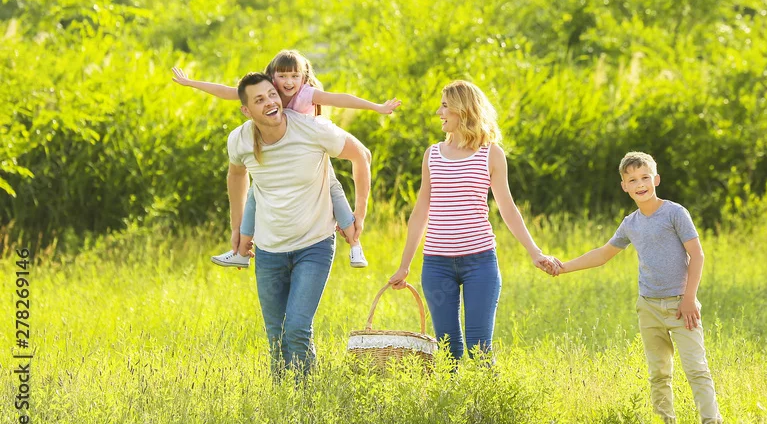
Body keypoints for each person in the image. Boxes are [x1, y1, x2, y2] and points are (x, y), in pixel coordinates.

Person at [172, 49, 399, 268]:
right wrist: (191, 83)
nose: (288, 82)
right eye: (282, 76)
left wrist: (376, 107)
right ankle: (241, 252)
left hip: (310, 149)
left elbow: (340, 99)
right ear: (272, 76)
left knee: (334, 191)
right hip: (282, 152)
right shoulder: (269, 91)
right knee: (254, 195)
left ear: (303, 77)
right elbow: (228, 91)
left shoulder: (306, 93)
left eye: (294, 76)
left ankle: (355, 245)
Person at [551, 151, 723, 424]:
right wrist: (563, 267)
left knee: (696, 370)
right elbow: (603, 254)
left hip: (682, 306)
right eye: (632, 180)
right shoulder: (630, 223)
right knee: (659, 374)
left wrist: (689, 298)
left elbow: (697, 254)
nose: (640, 184)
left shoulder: (675, 213)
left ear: (656, 179)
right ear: (624, 186)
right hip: (648, 307)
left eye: (645, 177)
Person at [387, 80, 558, 361]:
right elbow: (420, 213)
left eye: (445, 106)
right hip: (437, 265)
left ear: (463, 110)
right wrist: (404, 266)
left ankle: (486, 392)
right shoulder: (432, 155)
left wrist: (535, 252)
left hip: (480, 263)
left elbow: (508, 208)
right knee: (448, 352)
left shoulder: (491, 154)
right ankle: (451, 392)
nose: (439, 112)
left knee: (479, 350)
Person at [227, 72, 371, 377]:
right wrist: (237, 227)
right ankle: (282, 399)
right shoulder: (240, 139)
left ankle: (306, 398)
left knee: (296, 328)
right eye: (259, 99)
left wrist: (360, 213)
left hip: (314, 245)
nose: (270, 102)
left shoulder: (312, 128)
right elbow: (236, 174)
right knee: (276, 336)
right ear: (246, 110)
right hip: (269, 251)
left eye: (272, 94)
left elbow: (361, 155)